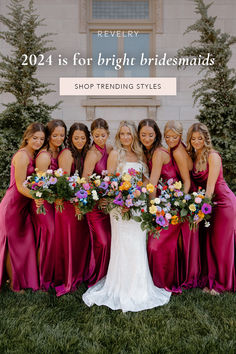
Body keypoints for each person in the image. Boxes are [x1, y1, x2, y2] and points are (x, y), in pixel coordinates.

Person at [82, 121, 171, 312]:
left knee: (137, 245)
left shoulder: (140, 155)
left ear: (134, 136)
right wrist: (120, 199)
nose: (125, 137)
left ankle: (140, 288)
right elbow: (111, 181)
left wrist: (151, 202)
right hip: (120, 208)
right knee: (123, 245)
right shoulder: (115, 154)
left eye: (128, 134)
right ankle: (120, 286)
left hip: (138, 207)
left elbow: (147, 181)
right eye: (122, 133)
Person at [138, 119, 199, 292]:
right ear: (164, 136)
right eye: (168, 136)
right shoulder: (160, 151)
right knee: (158, 243)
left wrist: (155, 211)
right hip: (167, 201)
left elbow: (154, 184)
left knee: (155, 244)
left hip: (173, 204)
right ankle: (159, 278)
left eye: (175, 137)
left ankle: (163, 280)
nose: (171, 139)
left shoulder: (165, 152)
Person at [187, 122, 236, 294]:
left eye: (200, 138)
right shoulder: (193, 156)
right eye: (193, 138)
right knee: (209, 243)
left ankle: (221, 284)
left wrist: (202, 211)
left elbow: (210, 188)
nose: (196, 141)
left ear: (206, 139)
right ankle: (210, 279)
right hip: (209, 204)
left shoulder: (212, 156)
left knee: (221, 245)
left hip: (223, 204)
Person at [0, 122, 45, 292]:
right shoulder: (22, 156)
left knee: (23, 245)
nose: (38, 141)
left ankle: (22, 279)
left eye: (41, 139)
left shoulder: (33, 155)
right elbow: (19, 185)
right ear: (27, 137)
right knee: (12, 246)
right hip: (12, 206)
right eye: (35, 138)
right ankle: (13, 285)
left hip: (23, 206)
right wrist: (37, 196)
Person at [54, 123, 92, 296]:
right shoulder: (67, 154)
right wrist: (76, 203)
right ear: (70, 138)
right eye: (76, 138)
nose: (79, 141)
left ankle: (80, 273)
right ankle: (69, 276)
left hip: (79, 203)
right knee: (70, 241)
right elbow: (63, 183)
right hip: (68, 206)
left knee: (80, 241)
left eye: (83, 138)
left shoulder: (84, 153)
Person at [30, 119, 67, 291]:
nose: (59, 138)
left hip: (54, 202)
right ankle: (42, 279)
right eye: (55, 135)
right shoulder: (45, 155)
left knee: (54, 237)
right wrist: (52, 197)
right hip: (42, 203)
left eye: (62, 135)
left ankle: (52, 275)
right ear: (49, 135)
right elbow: (39, 184)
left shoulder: (59, 151)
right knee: (48, 236)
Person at [82, 118, 112, 286]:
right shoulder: (92, 154)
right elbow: (85, 181)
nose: (100, 139)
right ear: (92, 135)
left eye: (103, 135)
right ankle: (96, 275)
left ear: (108, 134)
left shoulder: (109, 148)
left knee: (110, 239)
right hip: (95, 206)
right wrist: (98, 196)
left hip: (108, 205)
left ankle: (109, 273)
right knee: (102, 241)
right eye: (96, 135)